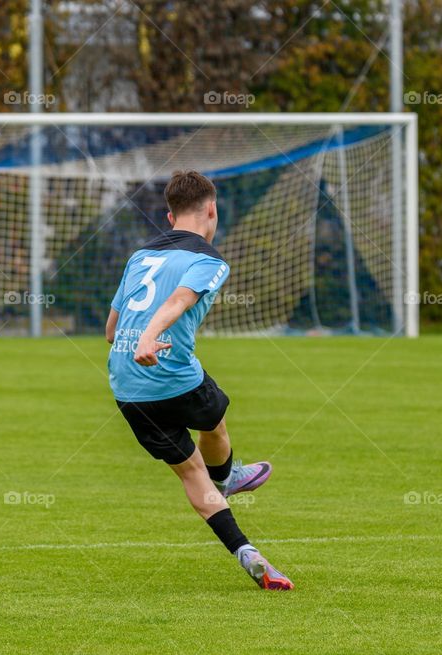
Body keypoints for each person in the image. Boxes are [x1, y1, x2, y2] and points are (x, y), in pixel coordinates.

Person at [105, 170, 294, 590]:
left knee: (192, 473)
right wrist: (153, 337)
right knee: (215, 415)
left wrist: (139, 338)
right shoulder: (209, 261)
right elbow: (179, 299)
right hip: (172, 374)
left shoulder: (139, 257)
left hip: (126, 386)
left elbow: (110, 331)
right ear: (212, 210)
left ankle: (247, 552)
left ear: (169, 216)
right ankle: (227, 477)